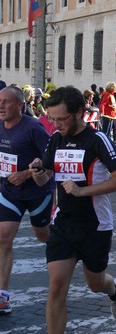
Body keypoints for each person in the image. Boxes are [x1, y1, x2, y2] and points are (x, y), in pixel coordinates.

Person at [30, 86, 116, 334]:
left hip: (95, 225)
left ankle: (114, 289)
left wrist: (82, 190)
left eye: (61, 119)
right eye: (52, 119)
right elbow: (45, 178)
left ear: (77, 113)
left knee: (95, 283)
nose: (56, 124)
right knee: (56, 286)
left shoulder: (97, 139)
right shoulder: (55, 140)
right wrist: (39, 171)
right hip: (62, 224)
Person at [0, 87, 54, 314]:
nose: (1, 106)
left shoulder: (33, 128)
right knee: (3, 238)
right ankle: (2, 295)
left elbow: (51, 159)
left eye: (6, 102)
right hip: (9, 192)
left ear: (20, 105)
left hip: (37, 194)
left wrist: (26, 173)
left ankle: (65, 247)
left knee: (43, 235)